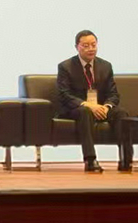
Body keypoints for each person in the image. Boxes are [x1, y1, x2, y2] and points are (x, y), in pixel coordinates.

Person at [57, 30, 133, 173]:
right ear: (77, 47)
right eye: (86, 46)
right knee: (85, 112)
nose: (91, 49)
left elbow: (113, 94)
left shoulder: (105, 66)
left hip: (100, 107)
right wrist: (89, 105)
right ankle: (90, 160)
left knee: (121, 113)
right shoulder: (65, 67)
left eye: (93, 45)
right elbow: (64, 95)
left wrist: (106, 106)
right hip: (77, 109)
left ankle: (126, 159)